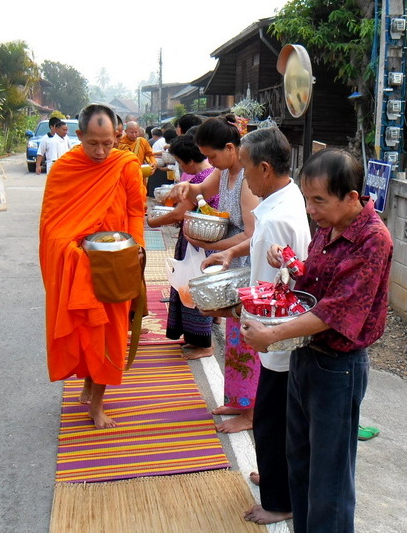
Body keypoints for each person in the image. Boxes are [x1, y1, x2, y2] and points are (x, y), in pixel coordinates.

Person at [241, 148, 393, 533]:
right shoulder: (330, 224)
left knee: (330, 477)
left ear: (352, 197)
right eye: (307, 199)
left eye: (319, 201)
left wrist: (271, 334)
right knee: (300, 460)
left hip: (338, 368)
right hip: (307, 355)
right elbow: (314, 279)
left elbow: (336, 310)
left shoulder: (373, 239)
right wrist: (288, 261)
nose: (310, 210)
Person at [202, 127, 311, 524]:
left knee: (272, 421)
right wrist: (233, 252)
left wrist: (237, 312)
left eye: (247, 168)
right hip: (280, 329)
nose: (244, 178)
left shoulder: (278, 217)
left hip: (277, 333)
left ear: (265, 169)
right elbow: (261, 245)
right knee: (277, 416)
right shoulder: (283, 199)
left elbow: (271, 290)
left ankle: (280, 501)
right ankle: (276, 478)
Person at [39, 104, 145, 429]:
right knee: (86, 328)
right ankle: (87, 380)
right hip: (79, 264)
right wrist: (71, 252)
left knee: (110, 332)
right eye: (93, 143)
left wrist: (137, 249)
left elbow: (135, 210)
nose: (100, 152)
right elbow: (52, 226)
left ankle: (97, 404)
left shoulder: (125, 165)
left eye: (107, 144)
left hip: (116, 262)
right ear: (79, 135)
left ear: (116, 137)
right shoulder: (65, 169)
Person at [168, 115, 259, 434]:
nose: (210, 162)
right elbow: (199, 189)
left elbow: (251, 236)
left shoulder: (247, 180)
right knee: (235, 339)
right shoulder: (224, 170)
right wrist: (186, 187)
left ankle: (251, 413)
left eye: (213, 155)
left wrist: (214, 246)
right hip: (231, 266)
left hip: (247, 268)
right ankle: (238, 401)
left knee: (248, 341)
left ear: (231, 148)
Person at [148, 135, 218, 357]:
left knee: (196, 291)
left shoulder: (203, 180)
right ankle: (196, 340)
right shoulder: (208, 175)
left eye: (179, 162)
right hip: (199, 241)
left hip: (200, 244)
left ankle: (204, 345)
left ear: (189, 161)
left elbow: (179, 213)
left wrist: (152, 221)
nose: (179, 166)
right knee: (193, 290)